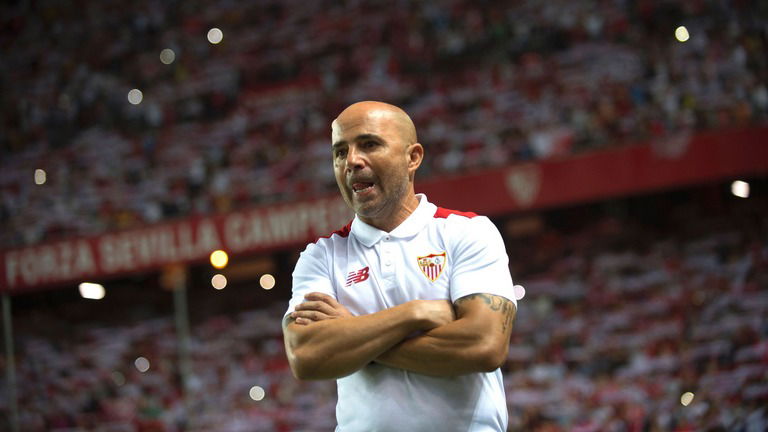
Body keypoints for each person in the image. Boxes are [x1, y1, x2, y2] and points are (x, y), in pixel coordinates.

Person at [282, 101, 518, 431]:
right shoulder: (320, 256)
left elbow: (484, 345)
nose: (351, 161)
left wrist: (354, 336)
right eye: (340, 152)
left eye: (369, 144)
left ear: (413, 157)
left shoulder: (467, 232)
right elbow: (307, 357)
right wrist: (414, 313)